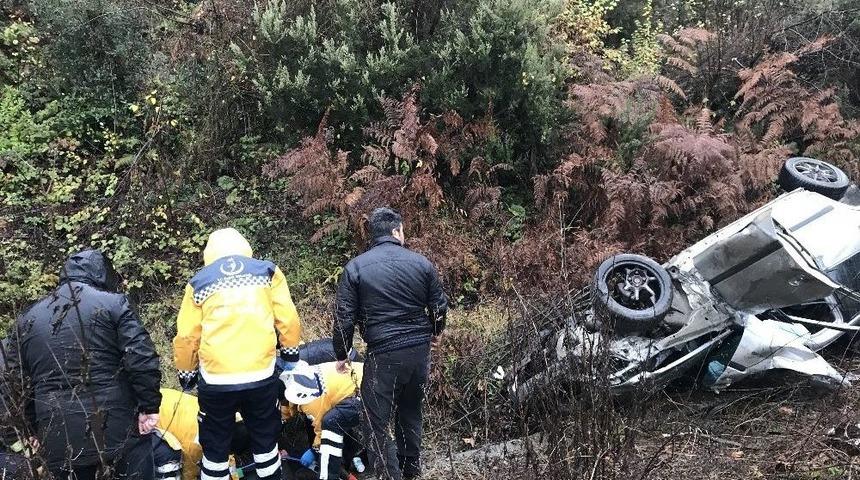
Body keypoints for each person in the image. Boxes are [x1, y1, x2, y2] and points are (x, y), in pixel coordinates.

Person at [4, 250, 162, 479]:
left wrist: (30, 428)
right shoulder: (115, 304)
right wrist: (149, 407)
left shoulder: (27, 318)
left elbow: (15, 381)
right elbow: (140, 358)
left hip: (56, 434)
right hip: (118, 429)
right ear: (105, 275)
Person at [174, 227, 302, 480]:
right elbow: (288, 318)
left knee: (215, 448)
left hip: (216, 381)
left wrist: (187, 375)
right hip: (261, 376)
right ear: (245, 247)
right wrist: (290, 356)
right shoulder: (267, 272)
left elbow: (187, 336)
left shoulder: (199, 282)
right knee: (266, 444)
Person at [332, 208, 448, 480]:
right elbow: (439, 306)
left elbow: (343, 316)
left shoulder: (356, 267)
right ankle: (411, 472)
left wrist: (342, 352)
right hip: (419, 352)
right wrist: (436, 332)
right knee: (410, 413)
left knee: (374, 422)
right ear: (396, 231)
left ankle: (389, 476)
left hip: (383, 354)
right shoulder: (421, 263)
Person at [280, 362, 365, 480]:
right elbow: (291, 407)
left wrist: (313, 451)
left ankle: (333, 474)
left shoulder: (311, 399)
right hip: (364, 374)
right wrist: (284, 417)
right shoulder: (303, 379)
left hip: (364, 391)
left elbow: (322, 431)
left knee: (331, 427)